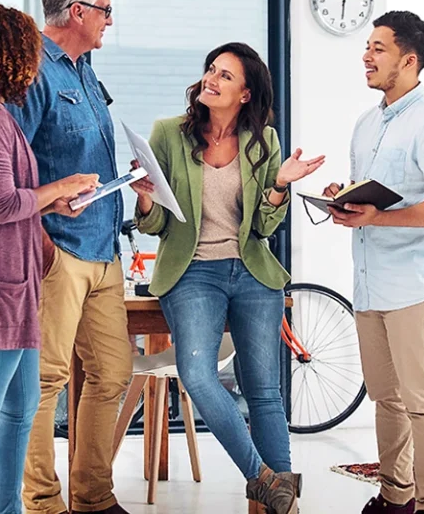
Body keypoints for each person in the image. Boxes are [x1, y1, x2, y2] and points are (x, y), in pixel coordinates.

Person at [131, 42, 324, 514]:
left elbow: (262, 227)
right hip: (193, 270)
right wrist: (144, 198)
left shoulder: (266, 142)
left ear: (245, 94)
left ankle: (280, 506)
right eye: (210, 71)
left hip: (252, 271)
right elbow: (155, 226)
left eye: (224, 76)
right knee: (198, 374)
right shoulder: (168, 135)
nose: (210, 80)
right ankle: (263, 480)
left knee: (263, 389)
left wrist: (280, 185)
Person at [0, 3, 99, 514]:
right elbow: (1, 204)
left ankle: (7, 509)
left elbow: (15, 199)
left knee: (22, 409)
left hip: (12, 284)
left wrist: (54, 199)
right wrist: (60, 186)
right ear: (12, 54)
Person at [323, 11, 424, 514]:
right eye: (368, 45)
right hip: (371, 280)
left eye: (379, 48)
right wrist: (345, 197)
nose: (367, 55)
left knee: (421, 400)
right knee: (386, 397)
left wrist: (375, 220)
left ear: (409, 60)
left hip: (417, 284)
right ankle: (395, 495)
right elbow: (380, 198)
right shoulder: (367, 124)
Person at [5, 0, 133, 514]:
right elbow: (7, 172)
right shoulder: (31, 73)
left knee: (112, 373)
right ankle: (42, 501)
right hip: (60, 250)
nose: (111, 20)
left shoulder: (83, 69)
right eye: (105, 9)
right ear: (78, 12)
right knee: (47, 380)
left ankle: (93, 497)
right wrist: (43, 246)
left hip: (104, 249)